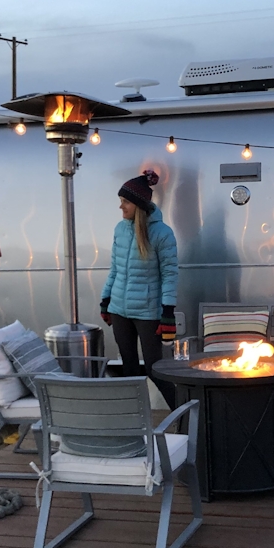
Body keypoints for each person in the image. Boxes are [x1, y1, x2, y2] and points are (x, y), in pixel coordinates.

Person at [100, 170, 178, 406]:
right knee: (130, 371)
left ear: (138, 205)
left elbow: (170, 275)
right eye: (121, 201)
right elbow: (115, 268)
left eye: (125, 202)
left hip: (147, 312)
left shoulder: (162, 234)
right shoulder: (120, 229)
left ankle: (188, 417)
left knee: (156, 370)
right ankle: (137, 423)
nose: (121, 207)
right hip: (119, 310)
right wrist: (106, 299)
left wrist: (168, 312)